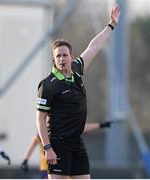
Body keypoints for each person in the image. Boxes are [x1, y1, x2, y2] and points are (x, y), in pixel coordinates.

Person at [36, 4, 120, 179]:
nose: (61, 58)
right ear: (54, 59)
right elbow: (40, 119)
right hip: (58, 145)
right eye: (58, 56)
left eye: (64, 55)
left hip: (77, 143)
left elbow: (93, 47)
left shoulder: (77, 69)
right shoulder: (48, 84)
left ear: (71, 56)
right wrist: (47, 148)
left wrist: (110, 25)